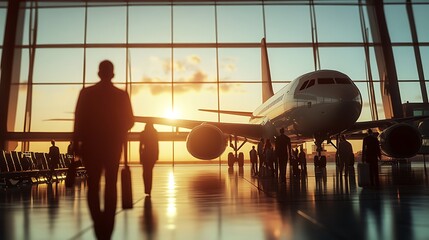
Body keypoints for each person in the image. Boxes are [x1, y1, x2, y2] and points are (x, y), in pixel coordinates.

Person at [73, 60, 134, 240]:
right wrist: (117, 127)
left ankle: (98, 223)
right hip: (113, 146)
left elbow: (78, 120)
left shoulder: (86, 93)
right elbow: (130, 121)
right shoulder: (121, 95)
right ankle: (107, 225)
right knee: (111, 185)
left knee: (92, 185)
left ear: (99, 73)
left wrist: (76, 142)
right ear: (112, 74)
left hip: (91, 146)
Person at [140, 122, 159, 196]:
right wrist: (157, 155)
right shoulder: (155, 133)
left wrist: (140, 156)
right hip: (152, 155)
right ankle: (149, 189)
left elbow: (140, 146)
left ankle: (146, 188)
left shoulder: (143, 133)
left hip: (145, 155)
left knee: (145, 173)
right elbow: (157, 145)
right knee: (149, 172)